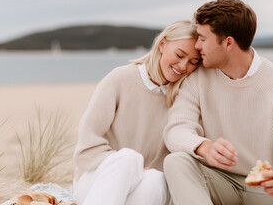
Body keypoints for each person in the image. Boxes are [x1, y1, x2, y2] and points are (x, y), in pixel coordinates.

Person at [163, 0, 273, 205]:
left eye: (203, 38)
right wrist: (204, 147)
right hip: (218, 182)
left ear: (228, 42)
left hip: (264, 188)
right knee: (176, 161)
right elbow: (176, 130)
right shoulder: (197, 78)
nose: (196, 45)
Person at [73, 20, 200, 205]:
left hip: (143, 187)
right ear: (162, 44)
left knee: (156, 180)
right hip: (97, 181)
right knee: (128, 158)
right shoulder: (120, 79)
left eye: (193, 62)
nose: (183, 66)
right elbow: (87, 147)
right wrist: (133, 167)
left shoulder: (185, 98)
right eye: (180, 55)